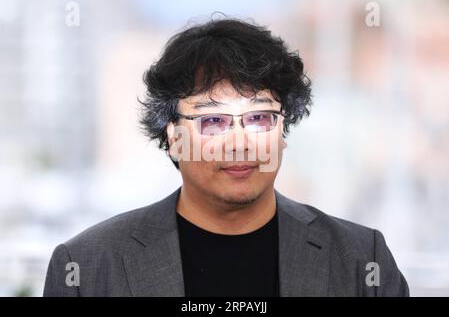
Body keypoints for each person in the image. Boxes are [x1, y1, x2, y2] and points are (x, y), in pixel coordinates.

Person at [43, 17, 409, 297]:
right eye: (213, 121)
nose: (240, 143)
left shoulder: (361, 258)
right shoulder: (86, 267)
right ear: (173, 137)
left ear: (283, 131)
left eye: (259, 118)